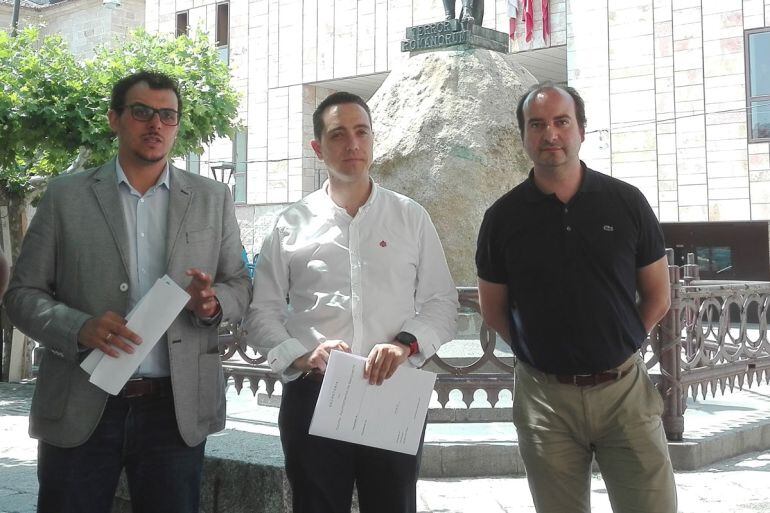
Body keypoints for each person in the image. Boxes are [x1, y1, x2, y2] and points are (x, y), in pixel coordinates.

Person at [4, 70, 251, 513]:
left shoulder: (213, 198)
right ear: (115, 119)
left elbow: (240, 285)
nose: (155, 124)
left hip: (174, 412)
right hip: (82, 403)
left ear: (176, 125)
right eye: (141, 112)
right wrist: (78, 327)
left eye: (167, 115)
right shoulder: (65, 197)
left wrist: (213, 305)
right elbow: (22, 295)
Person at [247, 91, 458, 513]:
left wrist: (405, 344)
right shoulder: (292, 222)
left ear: (373, 140)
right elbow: (260, 313)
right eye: (338, 134)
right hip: (314, 394)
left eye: (362, 132)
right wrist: (304, 355)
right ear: (317, 148)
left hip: (392, 391)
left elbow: (441, 302)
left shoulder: (409, 216)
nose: (353, 144)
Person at [475, 82, 677, 513]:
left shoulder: (626, 202)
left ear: (581, 130)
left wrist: (620, 342)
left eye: (561, 122)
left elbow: (658, 296)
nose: (550, 134)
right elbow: (493, 310)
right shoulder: (502, 218)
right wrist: (543, 355)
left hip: (624, 392)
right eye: (537, 124)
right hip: (544, 403)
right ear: (524, 136)